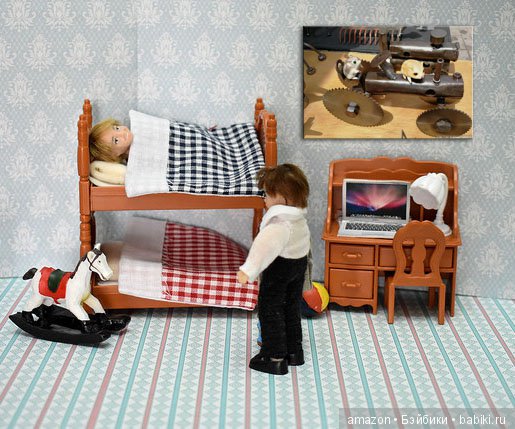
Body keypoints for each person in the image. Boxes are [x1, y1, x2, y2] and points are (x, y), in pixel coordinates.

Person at [237, 163, 310, 375]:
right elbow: (307, 245)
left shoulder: (279, 223)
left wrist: (248, 270)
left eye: (268, 194)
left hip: (279, 268)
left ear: (282, 197)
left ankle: (274, 356)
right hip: (298, 264)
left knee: (271, 309)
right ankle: (294, 351)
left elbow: (262, 247)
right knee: (291, 307)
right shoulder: (299, 219)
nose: (264, 199)